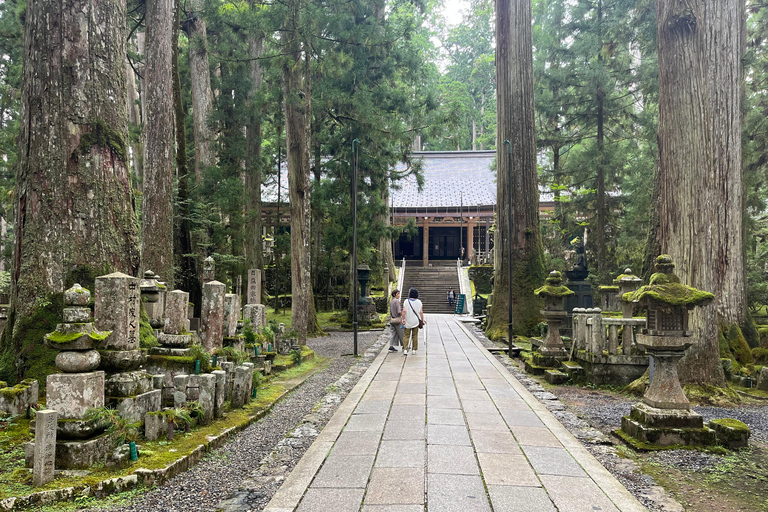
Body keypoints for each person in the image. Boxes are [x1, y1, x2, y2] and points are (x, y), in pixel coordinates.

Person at [402, 288, 425, 356]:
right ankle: (414, 349)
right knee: (415, 335)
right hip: (416, 321)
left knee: (406, 335)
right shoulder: (419, 302)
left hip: (408, 321)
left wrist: (403, 319)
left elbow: (404, 311)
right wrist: (422, 320)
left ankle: (405, 349)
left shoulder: (406, 301)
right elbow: (421, 312)